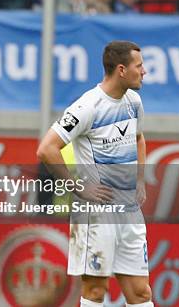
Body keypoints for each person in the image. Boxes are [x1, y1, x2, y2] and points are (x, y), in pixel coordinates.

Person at [37, 41, 153, 307]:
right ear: (122, 70)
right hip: (96, 213)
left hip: (129, 211)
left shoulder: (134, 102)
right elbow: (47, 149)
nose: (144, 71)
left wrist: (140, 181)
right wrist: (79, 187)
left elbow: (139, 138)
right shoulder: (87, 106)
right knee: (95, 291)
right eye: (139, 66)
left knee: (140, 292)